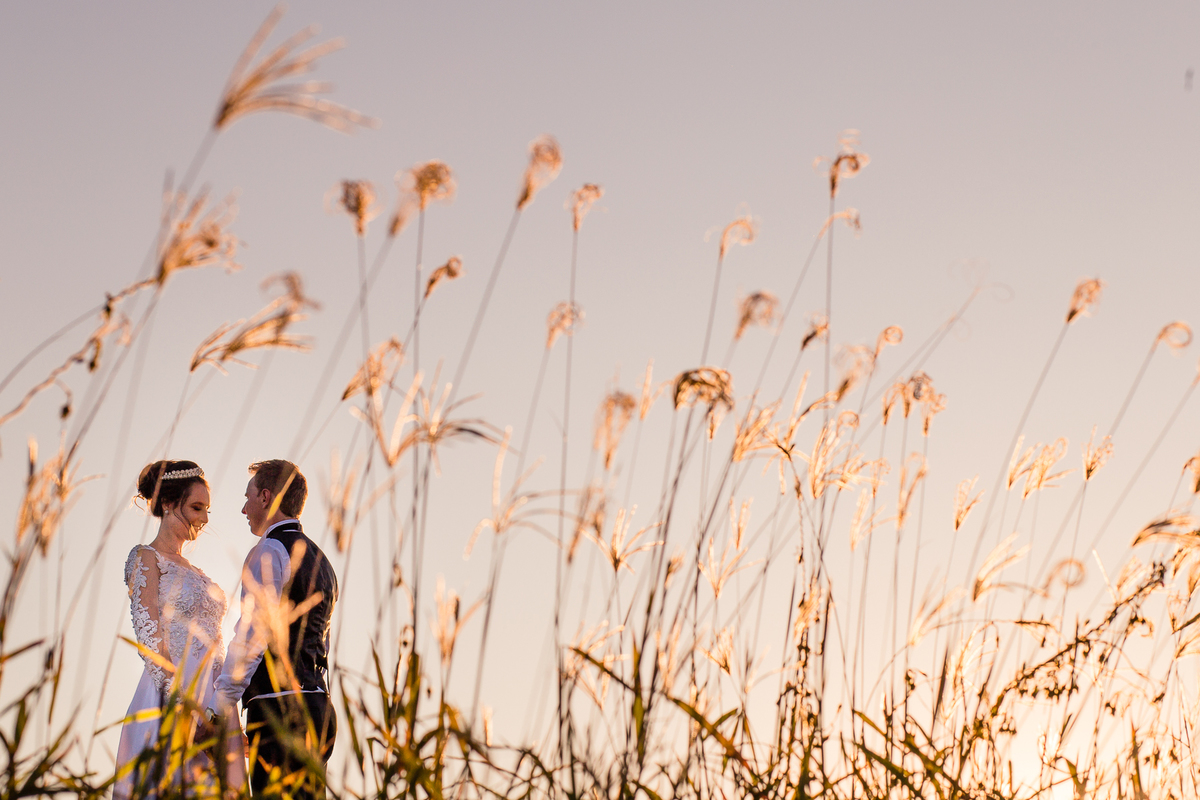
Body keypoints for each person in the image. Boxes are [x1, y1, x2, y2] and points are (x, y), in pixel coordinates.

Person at [114, 460, 246, 799]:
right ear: (169, 504)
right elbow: (149, 640)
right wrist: (188, 712)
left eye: (207, 510)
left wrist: (222, 712)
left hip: (215, 702)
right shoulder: (146, 558)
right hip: (170, 698)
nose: (204, 518)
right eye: (196, 507)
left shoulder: (200, 572)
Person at [207, 459, 338, 799]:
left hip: (280, 712)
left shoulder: (268, 550)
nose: (243, 508)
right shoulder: (323, 560)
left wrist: (222, 702)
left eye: (248, 497)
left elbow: (252, 635)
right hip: (319, 707)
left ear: (266, 497)